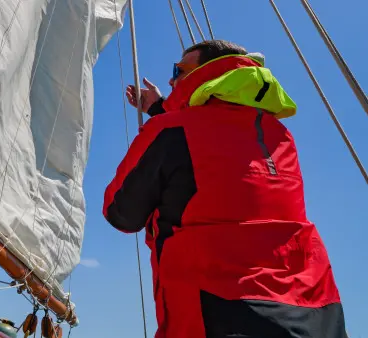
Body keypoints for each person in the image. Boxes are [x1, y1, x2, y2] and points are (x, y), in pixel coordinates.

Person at [103, 40, 347, 338]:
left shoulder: (168, 131)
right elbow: (210, 150)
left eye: (178, 70)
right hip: (315, 315)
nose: (171, 78)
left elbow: (120, 213)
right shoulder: (281, 136)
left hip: (215, 315)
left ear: (206, 72)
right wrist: (159, 108)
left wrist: (161, 116)